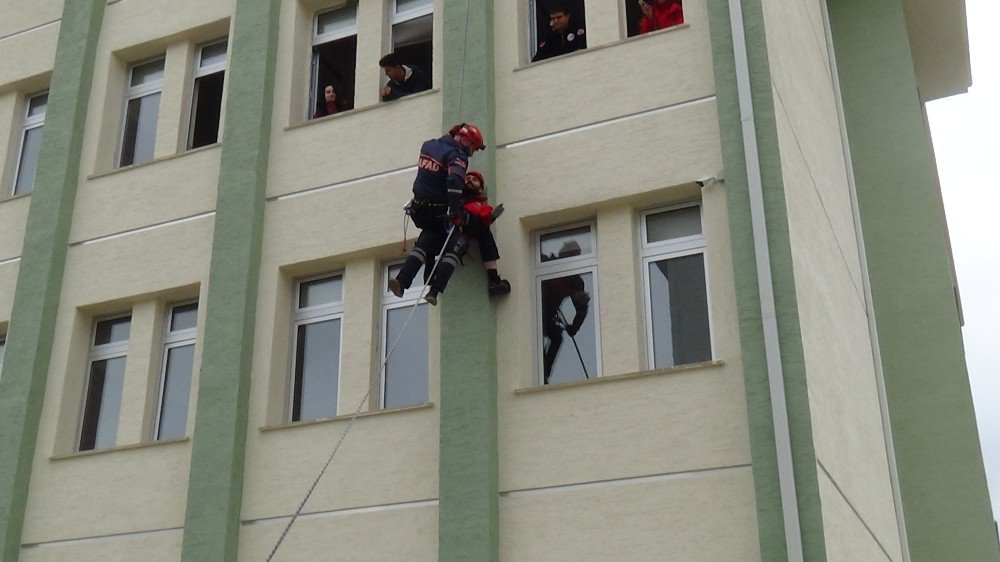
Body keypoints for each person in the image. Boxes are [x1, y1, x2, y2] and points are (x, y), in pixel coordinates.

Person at [389, 123, 487, 305]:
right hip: (438, 211)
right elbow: (454, 181)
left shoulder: (428, 145)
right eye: (473, 148)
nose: (472, 153)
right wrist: (455, 211)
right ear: (464, 140)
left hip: (420, 210)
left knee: (426, 241)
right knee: (458, 243)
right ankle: (435, 289)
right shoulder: (458, 155)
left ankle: (402, 282)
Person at [540, 241, 591, 383]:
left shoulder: (549, 264)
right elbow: (581, 308)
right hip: (540, 313)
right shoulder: (574, 280)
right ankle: (542, 373)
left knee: (554, 337)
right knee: (552, 337)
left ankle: (542, 372)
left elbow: (581, 308)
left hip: (545, 314)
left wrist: (574, 327)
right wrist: (573, 328)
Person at [461, 170, 511, 296]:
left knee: (485, 235)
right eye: (468, 178)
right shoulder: (459, 199)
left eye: (474, 179)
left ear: (480, 189)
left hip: (473, 227)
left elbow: (484, 217)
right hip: (461, 223)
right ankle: (493, 281)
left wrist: (492, 216)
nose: (470, 180)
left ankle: (493, 280)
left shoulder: (481, 205)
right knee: (484, 232)